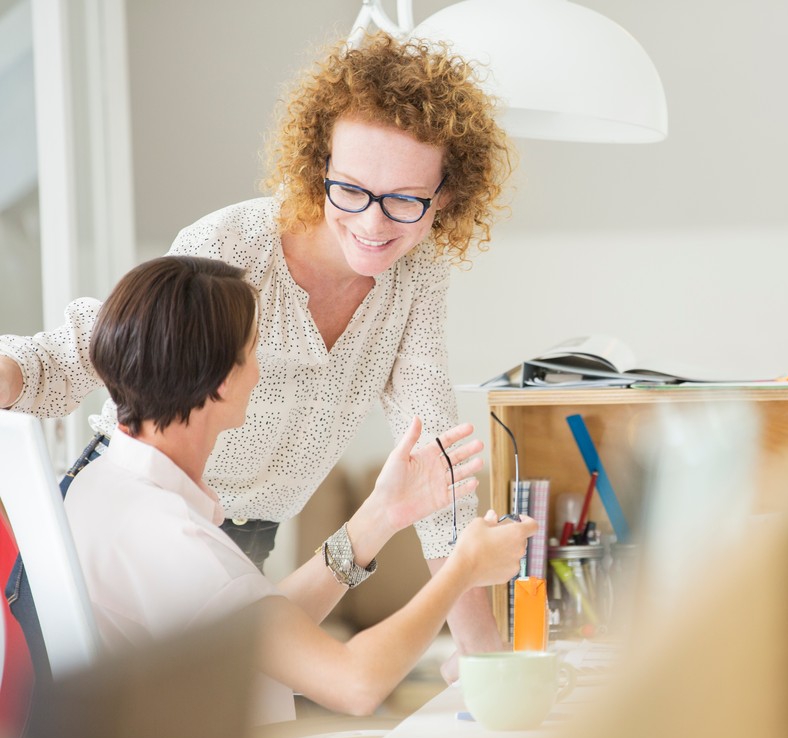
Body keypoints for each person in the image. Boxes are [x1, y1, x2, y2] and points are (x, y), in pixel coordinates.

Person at [0, 32, 515, 678]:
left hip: (246, 537)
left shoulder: (416, 274)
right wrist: (11, 373)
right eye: (350, 190)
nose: (375, 224)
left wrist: (485, 654)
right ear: (317, 165)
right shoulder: (236, 245)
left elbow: (436, 462)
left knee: (243, 721)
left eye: (406, 201)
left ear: (444, 197)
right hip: (150, 516)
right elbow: (104, 338)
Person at [65, 255, 536, 723]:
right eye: (254, 351)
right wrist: (463, 569)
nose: (259, 372)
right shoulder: (180, 544)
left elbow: (259, 628)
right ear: (225, 382)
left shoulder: (101, 486)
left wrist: (381, 516)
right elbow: (354, 682)